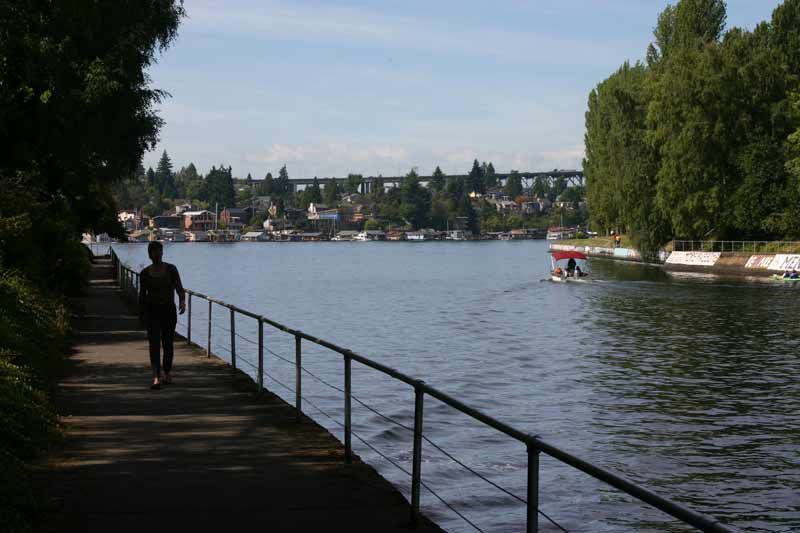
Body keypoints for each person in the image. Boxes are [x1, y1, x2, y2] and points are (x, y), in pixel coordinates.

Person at [139, 241, 185, 389]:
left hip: (168, 311)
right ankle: (156, 377)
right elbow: (142, 295)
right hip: (152, 311)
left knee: (168, 343)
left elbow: (179, 288)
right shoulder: (145, 273)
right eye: (154, 252)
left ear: (162, 253)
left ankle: (167, 372)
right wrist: (141, 313)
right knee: (154, 345)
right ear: (149, 255)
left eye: (159, 251)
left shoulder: (171, 269)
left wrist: (182, 302)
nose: (157, 254)